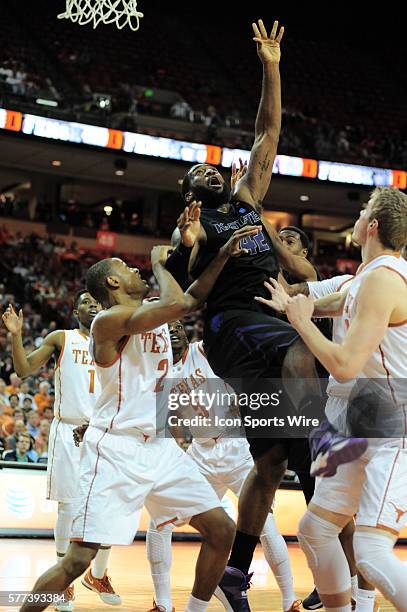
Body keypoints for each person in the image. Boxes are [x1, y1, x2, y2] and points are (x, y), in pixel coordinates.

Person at [166, 21, 321, 610]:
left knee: (270, 457)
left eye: (213, 167)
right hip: (233, 325)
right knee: (300, 350)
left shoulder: (250, 200)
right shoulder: (198, 227)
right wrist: (192, 245)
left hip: (268, 319)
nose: (213, 170)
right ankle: (320, 472)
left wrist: (272, 66)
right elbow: (190, 296)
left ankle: (236, 570)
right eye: (199, 175)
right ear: (192, 195)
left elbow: (269, 129)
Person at [19, 228, 258, 612]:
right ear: (114, 282)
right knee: (78, 561)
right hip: (116, 449)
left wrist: (223, 255)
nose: (136, 269)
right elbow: (179, 303)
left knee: (221, 529)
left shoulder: (156, 309)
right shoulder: (108, 322)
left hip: (161, 448)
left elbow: (192, 297)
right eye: (127, 267)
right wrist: (160, 263)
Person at [262, 187, 407, 611]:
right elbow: (334, 303)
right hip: (358, 421)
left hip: (390, 424)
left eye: (362, 211)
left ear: (373, 225)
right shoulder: (367, 277)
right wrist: (292, 304)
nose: (357, 217)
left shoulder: (385, 278)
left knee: (372, 551)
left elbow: (343, 364)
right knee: (316, 530)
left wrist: (302, 323)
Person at [146, 320, 301, 612]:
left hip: (236, 446)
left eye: (177, 327)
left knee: (264, 525)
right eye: (165, 330)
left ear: (185, 333)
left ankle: (289, 599)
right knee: (159, 522)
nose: (173, 332)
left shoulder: (204, 351)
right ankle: (163, 603)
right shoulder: (156, 370)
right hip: (200, 453)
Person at [3, 292, 121, 611]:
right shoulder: (62, 338)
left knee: (108, 508)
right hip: (69, 429)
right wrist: (16, 336)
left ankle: (97, 575)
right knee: (68, 508)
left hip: (105, 433)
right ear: (75, 309)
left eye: (98, 301)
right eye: (86, 301)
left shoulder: (116, 341)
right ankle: (62, 585)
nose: (93, 305)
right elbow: (25, 369)